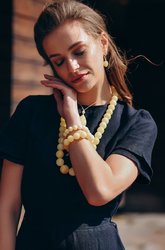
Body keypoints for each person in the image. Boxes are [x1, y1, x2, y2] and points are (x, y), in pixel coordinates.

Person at [0, 0, 157, 249]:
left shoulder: (137, 124)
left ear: (103, 43)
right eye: (59, 60)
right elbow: (7, 207)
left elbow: (99, 191)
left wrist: (72, 117)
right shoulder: (32, 112)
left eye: (79, 52)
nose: (72, 67)